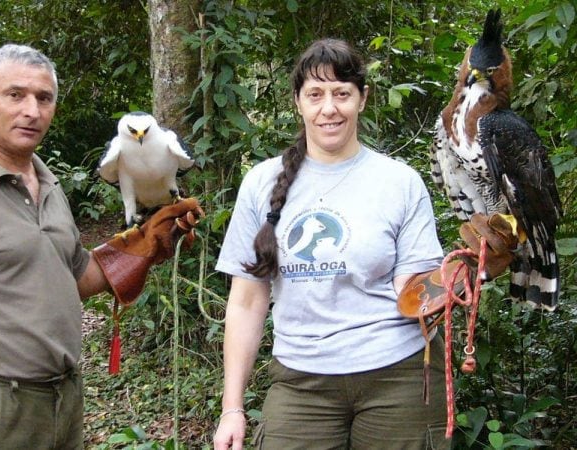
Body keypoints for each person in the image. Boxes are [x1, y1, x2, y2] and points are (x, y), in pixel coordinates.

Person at [0, 43, 203, 450]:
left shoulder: (49, 186)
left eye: (44, 98)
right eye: (15, 95)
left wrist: (147, 240)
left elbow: (76, 276)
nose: (32, 110)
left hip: (63, 398)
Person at [212, 39, 516, 449]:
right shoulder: (261, 183)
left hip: (399, 376)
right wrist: (233, 407)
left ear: (362, 99)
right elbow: (247, 301)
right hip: (302, 382)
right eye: (315, 95)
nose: (329, 108)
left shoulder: (397, 181)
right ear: (298, 102)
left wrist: (474, 268)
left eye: (342, 93)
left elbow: (411, 291)